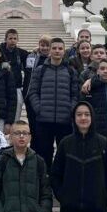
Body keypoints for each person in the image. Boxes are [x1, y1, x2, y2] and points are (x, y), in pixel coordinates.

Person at [27, 37, 81, 170]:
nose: (57, 51)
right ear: (50, 50)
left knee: (64, 155)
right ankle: (45, 182)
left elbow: (75, 94)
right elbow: (32, 92)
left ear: (64, 51)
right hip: (44, 120)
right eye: (54, 48)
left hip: (65, 120)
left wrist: (70, 109)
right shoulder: (40, 70)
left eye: (60, 48)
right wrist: (39, 109)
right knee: (44, 154)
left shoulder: (70, 71)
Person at [85, 58, 107, 149]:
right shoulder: (89, 88)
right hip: (95, 133)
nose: (105, 71)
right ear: (97, 71)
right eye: (102, 68)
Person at [23, 35, 51, 138]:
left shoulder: (53, 59)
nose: (44, 48)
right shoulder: (31, 56)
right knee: (33, 125)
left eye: (47, 45)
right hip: (31, 95)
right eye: (42, 45)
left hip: (46, 97)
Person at [0, 29, 28, 121]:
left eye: (15, 38)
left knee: (16, 115)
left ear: (17, 40)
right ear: (5, 39)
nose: (12, 40)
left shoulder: (22, 53)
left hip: (17, 88)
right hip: (2, 88)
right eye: (10, 38)